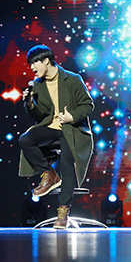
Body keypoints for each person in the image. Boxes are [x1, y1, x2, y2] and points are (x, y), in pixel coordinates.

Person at [18, 45, 94, 229]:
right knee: (25, 139)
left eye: (34, 63)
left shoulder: (72, 79)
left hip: (71, 130)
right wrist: (29, 103)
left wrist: (71, 117)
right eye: (30, 65)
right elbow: (39, 115)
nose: (32, 68)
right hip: (50, 128)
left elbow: (88, 104)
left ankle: (63, 212)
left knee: (67, 166)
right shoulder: (38, 84)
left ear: (46, 61)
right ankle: (49, 174)